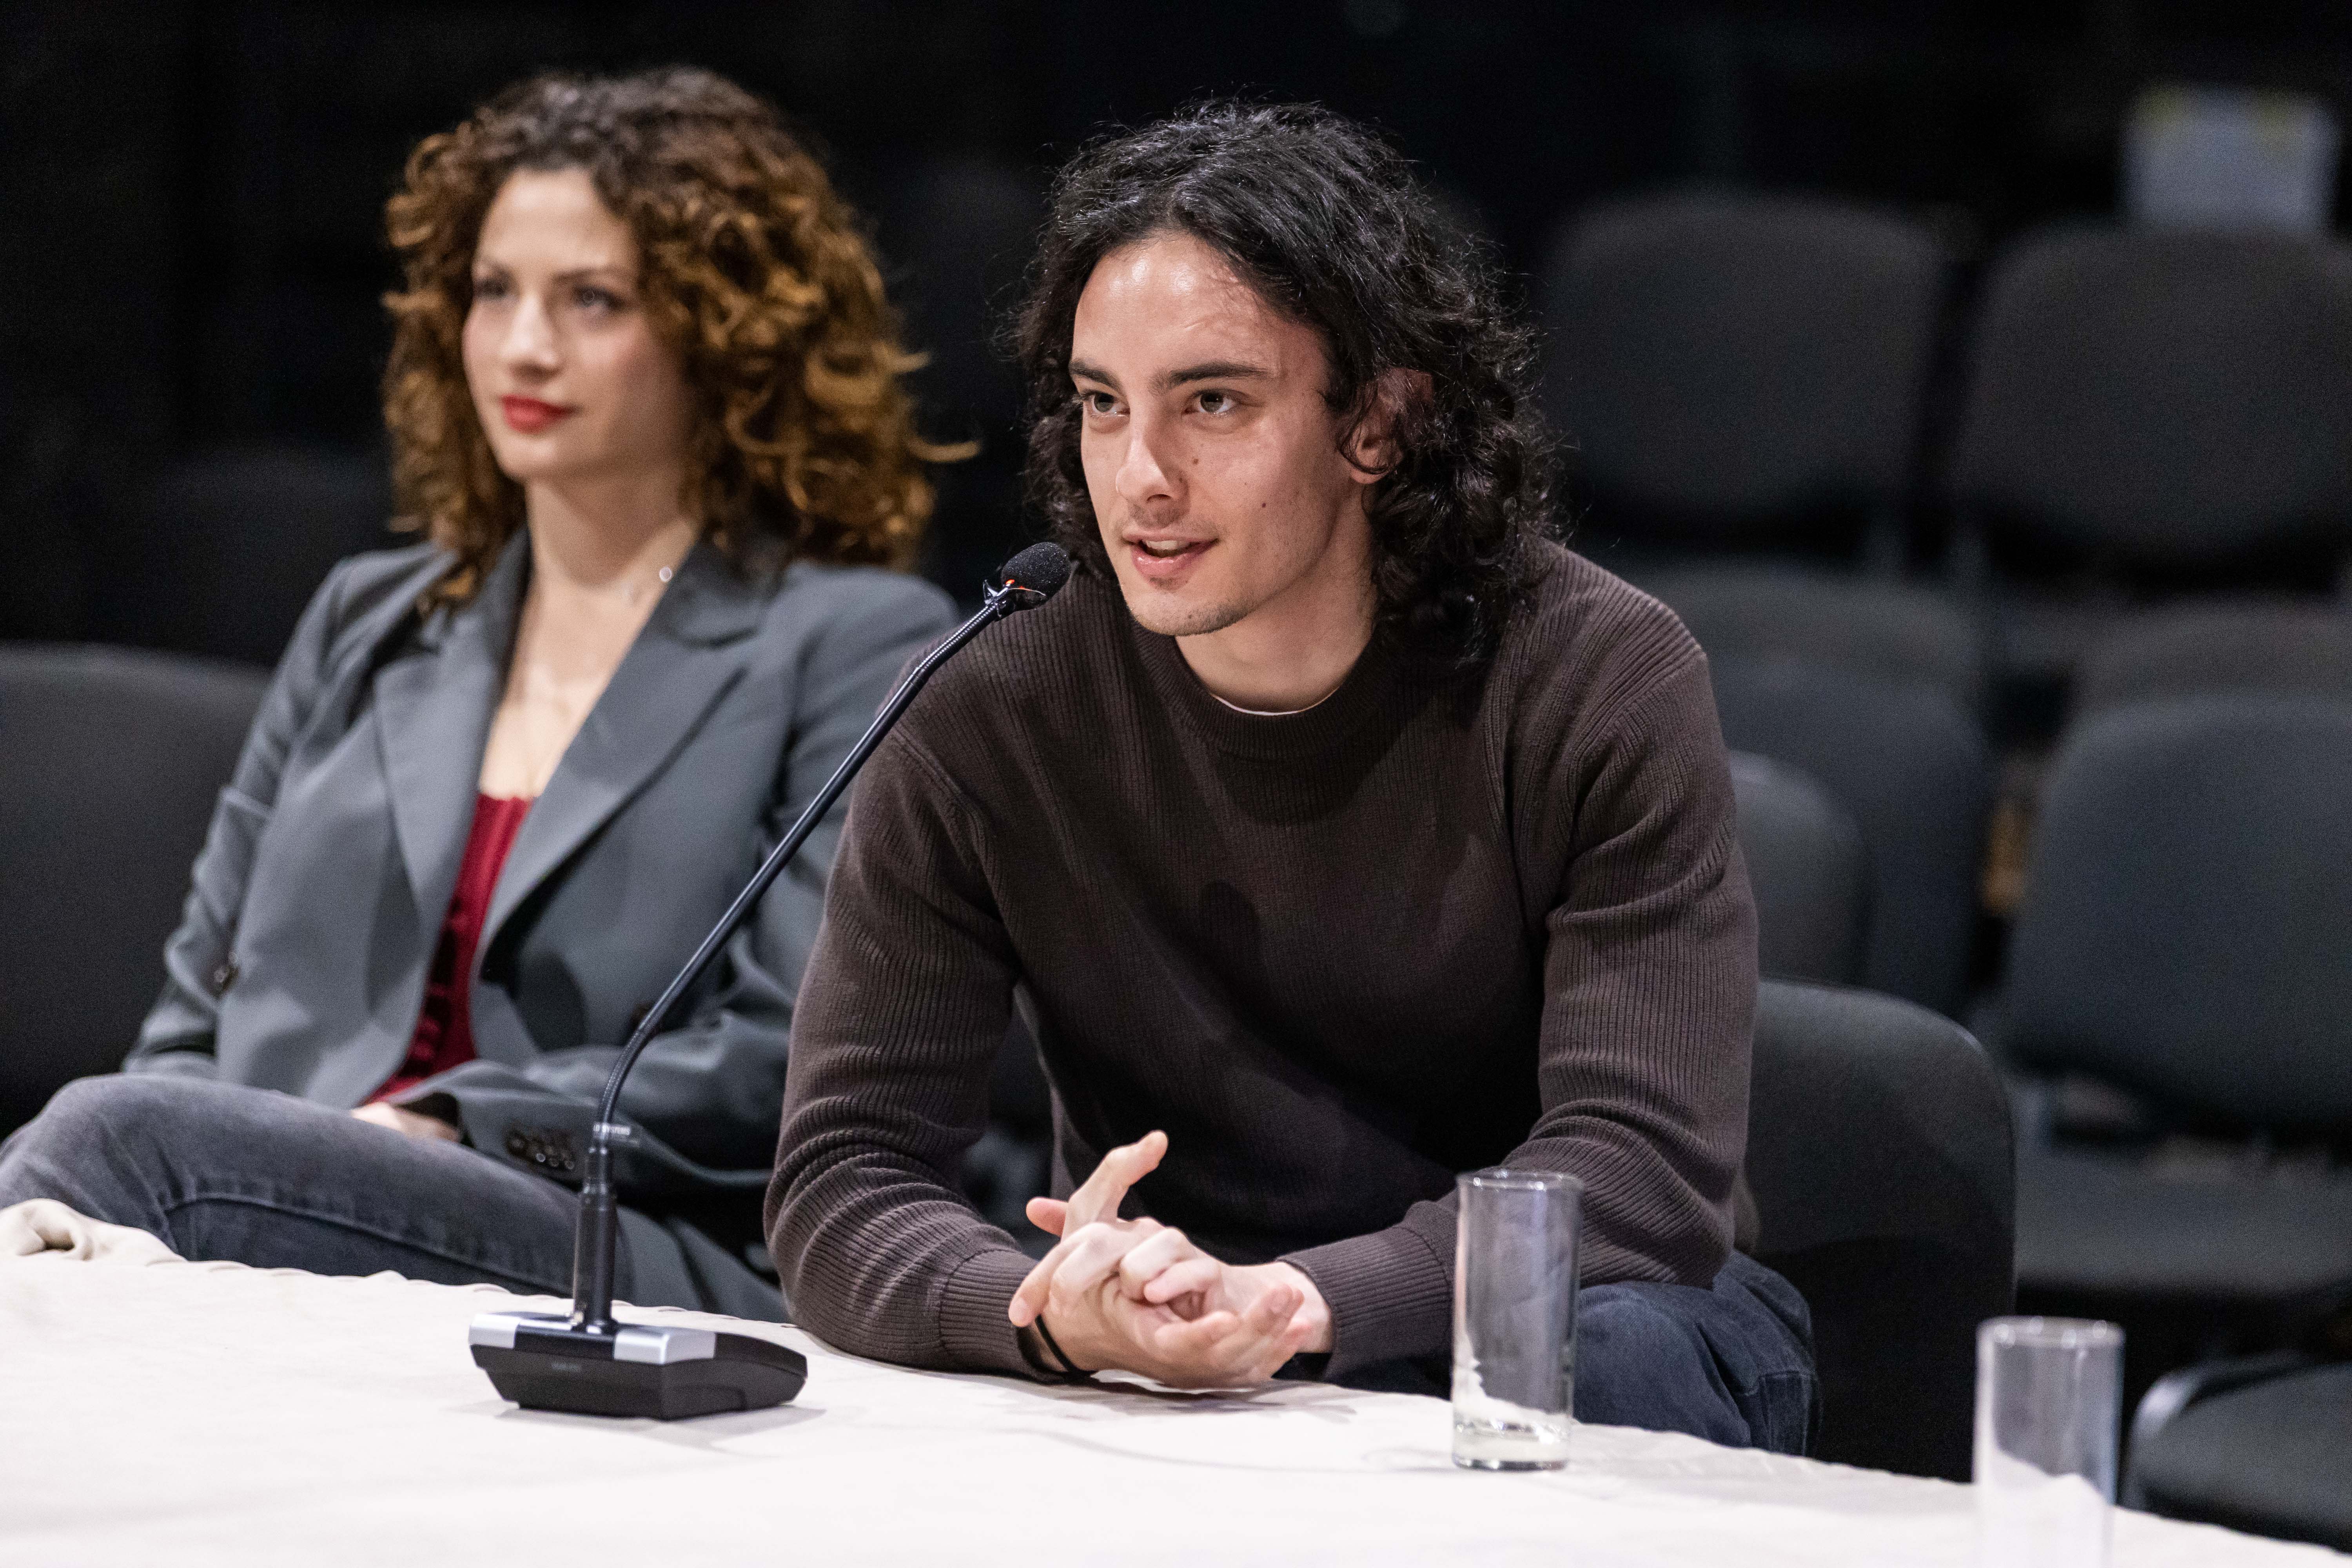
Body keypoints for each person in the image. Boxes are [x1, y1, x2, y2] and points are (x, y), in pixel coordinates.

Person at [766, 102, 1817, 1452]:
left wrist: (1299, 1303)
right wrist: (1048, 1314)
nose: (1140, 478)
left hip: (1573, 1326)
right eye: (1103, 405)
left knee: (1592, 1351)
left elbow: (1637, 1179)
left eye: (1212, 403)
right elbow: (844, 1176)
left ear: (1377, 421)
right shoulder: (989, 696)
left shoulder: (1595, 677)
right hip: (1173, 1350)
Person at [0, 69, 958, 1317]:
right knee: (106, 1167)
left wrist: (450, 1123)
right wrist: (228, 1155)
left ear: (724, 334)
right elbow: (193, 1016)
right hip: (254, 1192)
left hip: (614, 1233)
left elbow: (791, 1054)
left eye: (593, 299)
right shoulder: (371, 615)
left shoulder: (854, 642)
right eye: (495, 290)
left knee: (107, 1147)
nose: (525, 345)